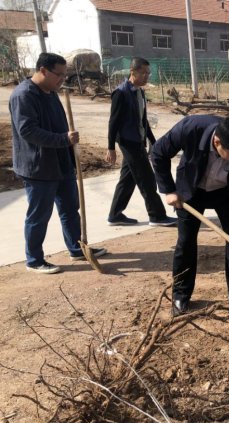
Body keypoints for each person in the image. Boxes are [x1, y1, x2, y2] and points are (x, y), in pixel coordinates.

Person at [151, 114, 229, 328]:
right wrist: (168, 190)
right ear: (217, 142)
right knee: (186, 242)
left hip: (227, 192)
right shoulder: (191, 128)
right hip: (191, 192)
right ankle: (180, 296)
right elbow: (158, 152)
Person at [9, 52, 106, 274]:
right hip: (38, 166)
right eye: (59, 74)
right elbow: (28, 131)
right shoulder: (24, 95)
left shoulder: (51, 93)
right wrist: (63, 139)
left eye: (65, 74)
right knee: (39, 215)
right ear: (43, 70)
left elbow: (61, 124)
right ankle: (34, 260)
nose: (63, 79)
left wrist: (70, 147)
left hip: (62, 162)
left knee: (70, 208)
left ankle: (76, 248)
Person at [106, 57, 176, 227]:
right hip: (128, 142)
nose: (146, 76)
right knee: (147, 179)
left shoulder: (139, 92)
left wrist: (152, 140)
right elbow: (113, 122)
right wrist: (111, 147)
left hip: (138, 140)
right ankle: (157, 216)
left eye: (148, 73)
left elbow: (142, 120)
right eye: (143, 73)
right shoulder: (121, 93)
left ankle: (115, 215)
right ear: (132, 72)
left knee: (127, 179)